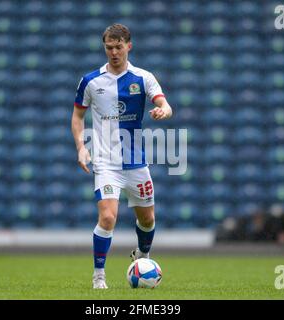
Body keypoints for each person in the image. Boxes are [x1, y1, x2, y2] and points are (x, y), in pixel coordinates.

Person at [71, 23, 173, 289]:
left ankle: (143, 257)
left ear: (129, 45)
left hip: (135, 161)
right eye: (109, 47)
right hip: (105, 162)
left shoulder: (143, 78)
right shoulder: (91, 81)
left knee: (147, 219)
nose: (114, 52)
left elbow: (165, 103)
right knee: (107, 217)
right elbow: (77, 116)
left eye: (118, 47)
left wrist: (163, 111)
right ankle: (99, 276)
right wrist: (81, 147)